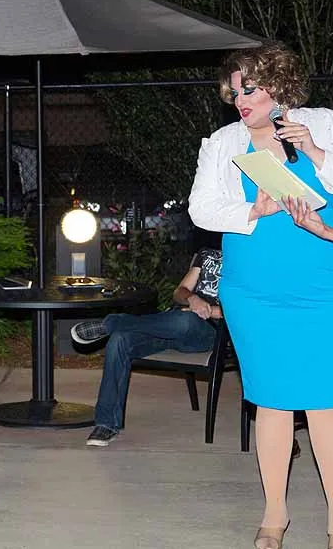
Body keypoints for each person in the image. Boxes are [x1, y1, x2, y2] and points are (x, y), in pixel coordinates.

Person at [188, 43, 333, 549]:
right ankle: (275, 514)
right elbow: (201, 209)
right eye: (234, 92)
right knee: (271, 400)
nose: (240, 100)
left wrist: (316, 153)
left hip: (321, 285)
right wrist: (255, 210)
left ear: (279, 85)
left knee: (324, 401)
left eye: (250, 88)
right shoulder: (223, 142)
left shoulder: (322, 124)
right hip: (255, 288)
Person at [70, 248, 222, 447]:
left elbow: (251, 308)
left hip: (208, 331)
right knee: (119, 339)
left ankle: (112, 322)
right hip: (172, 323)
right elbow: (180, 292)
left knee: (185, 321)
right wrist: (192, 298)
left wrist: (210, 310)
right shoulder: (208, 255)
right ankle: (106, 424)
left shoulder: (249, 259)